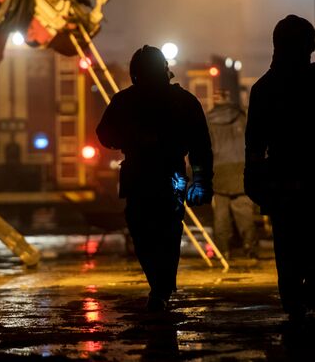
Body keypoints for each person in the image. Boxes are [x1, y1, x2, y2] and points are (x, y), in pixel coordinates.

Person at [244, 15, 315, 322]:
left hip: (297, 180)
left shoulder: (266, 88)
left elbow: (254, 144)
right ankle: (297, 294)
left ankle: (300, 290)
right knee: (309, 240)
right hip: (312, 179)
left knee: (295, 241)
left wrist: (254, 180)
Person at [96, 45, 213, 312]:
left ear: (135, 72)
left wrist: (131, 139)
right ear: (165, 69)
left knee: (143, 233)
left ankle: (159, 287)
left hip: (138, 175)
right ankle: (162, 287)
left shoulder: (124, 100)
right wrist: (203, 181)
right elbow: (200, 147)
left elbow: (104, 134)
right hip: (173, 175)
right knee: (169, 230)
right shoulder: (185, 101)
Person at [206, 91, 259, 260]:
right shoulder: (243, 118)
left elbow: (205, 148)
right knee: (244, 212)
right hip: (241, 171)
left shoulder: (208, 121)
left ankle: (223, 252)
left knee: (221, 215)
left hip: (219, 171)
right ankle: (249, 247)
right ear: (229, 99)